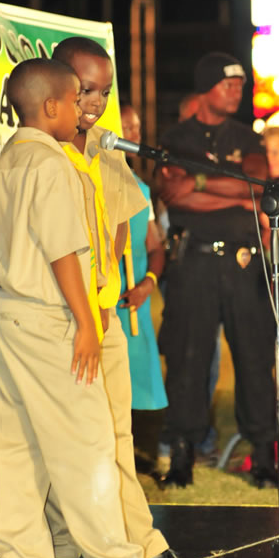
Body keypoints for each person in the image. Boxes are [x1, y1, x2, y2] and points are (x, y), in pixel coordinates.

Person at [0, 58, 144, 558]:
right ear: (51, 105)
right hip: (48, 316)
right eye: (75, 100)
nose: (81, 110)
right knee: (86, 445)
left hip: (3, 310)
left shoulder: (3, 161)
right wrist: (86, 322)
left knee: (19, 447)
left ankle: (21, 554)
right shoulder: (50, 163)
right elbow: (62, 250)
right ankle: (114, 557)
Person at [50, 37, 191, 558]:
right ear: (57, 90)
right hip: (61, 324)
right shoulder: (45, 156)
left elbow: (117, 238)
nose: (95, 102)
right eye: (86, 89)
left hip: (105, 320)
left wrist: (107, 299)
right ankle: (78, 544)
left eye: (105, 91)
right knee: (74, 445)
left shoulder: (108, 156)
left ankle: (142, 542)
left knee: (116, 438)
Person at [156, 51, 277, 489]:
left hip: (244, 262)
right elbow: (173, 195)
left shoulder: (248, 137)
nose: (237, 92)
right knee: (189, 359)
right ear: (207, 86)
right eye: (229, 84)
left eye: (241, 85)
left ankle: (264, 453)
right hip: (194, 261)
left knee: (253, 355)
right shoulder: (176, 137)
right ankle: (183, 452)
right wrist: (235, 188)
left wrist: (201, 182)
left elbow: (259, 185)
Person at [117, 103, 167, 413]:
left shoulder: (141, 189)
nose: (136, 134)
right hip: (106, 303)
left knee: (134, 393)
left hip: (135, 300)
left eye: (137, 127)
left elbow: (156, 248)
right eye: (128, 127)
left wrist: (148, 284)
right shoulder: (92, 182)